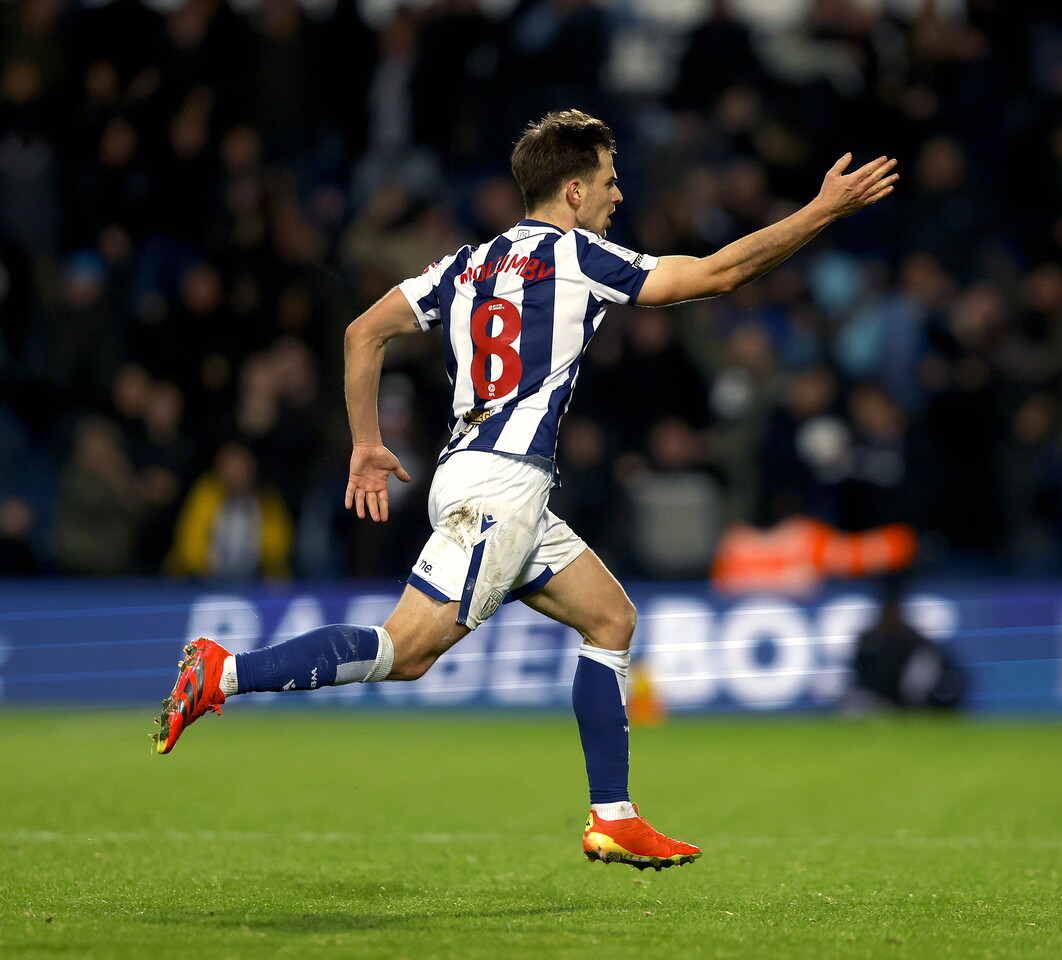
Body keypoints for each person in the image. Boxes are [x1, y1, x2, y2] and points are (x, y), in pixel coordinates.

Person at [153, 109, 897, 871]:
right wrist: (822, 210)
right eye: (608, 181)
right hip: (501, 490)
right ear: (573, 190)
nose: (618, 195)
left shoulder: (466, 265)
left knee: (610, 618)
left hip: (482, 476)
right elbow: (717, 275)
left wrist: (367, 442)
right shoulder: (578, 256)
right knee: (406, 652)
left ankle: (613, 817)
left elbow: (361, 333)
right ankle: (225, 671)